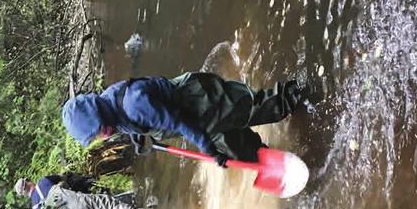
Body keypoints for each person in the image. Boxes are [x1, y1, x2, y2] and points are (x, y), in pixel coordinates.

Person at [61, 72, 320, 165]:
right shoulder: (111, 111)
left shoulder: (133, 103)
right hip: (192, 118)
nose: (100, 136)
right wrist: (138, 136)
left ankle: (306, 94)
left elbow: (181, 124)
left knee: (258, 108)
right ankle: (287, 162)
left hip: (200, 100)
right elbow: (132, 122)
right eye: (95, 136)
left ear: (97, 114)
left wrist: (207, 148)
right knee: (241, 151)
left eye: (97, 131)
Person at [14, 174, 142, 209]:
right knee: (107, 204)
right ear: (29, 182)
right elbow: (64, 178)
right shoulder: (43, 182)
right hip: (78, 201)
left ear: (24, 194)